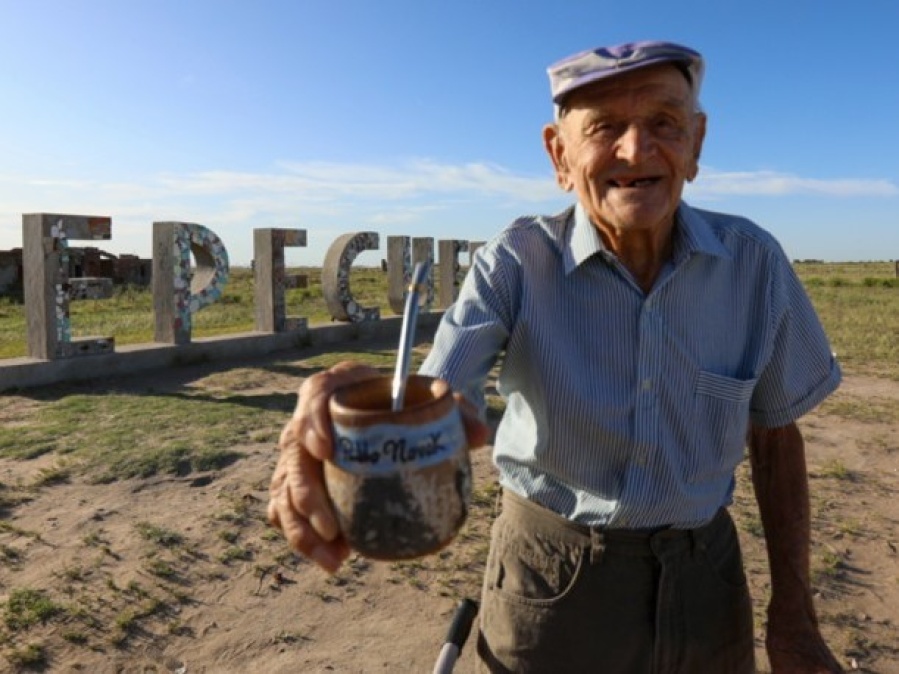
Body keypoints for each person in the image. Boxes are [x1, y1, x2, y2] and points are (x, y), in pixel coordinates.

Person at [268, 40, 845, 673]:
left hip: (707, 580)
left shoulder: (754, 263)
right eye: (604, 128)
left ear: (697, 144)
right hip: (552, 579)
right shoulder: (516, 260)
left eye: (664, 123)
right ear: (559, 157)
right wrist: (357, 400)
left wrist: (795, 612)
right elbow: (436, 394)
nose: (636, 150)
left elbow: (775, 435)